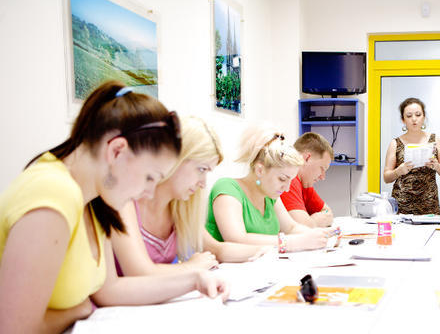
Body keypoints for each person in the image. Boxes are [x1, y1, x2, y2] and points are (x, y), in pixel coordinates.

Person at [0, 81, 228, 334]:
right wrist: (78, 310)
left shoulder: (95, 199)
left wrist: (193, 280)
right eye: (149, 177)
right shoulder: (53, 192)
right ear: (116, 151)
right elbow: (11, 333)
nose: (150, 190)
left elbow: (110, 290)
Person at [112, 116, 266, 276]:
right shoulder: (126, 201)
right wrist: (190, 267)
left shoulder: (180, 207)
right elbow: (139, 272)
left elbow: (217, 249)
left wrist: (266, 250)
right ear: (177, 159)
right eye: (201, 169)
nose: (203, 183)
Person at [205, 123, 332, 252]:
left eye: (290, 180)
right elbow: (237, 239)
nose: (287, 189)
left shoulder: (270, 195)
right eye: (282, 179)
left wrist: (322, 236)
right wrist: (292, 242)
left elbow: (291, 228)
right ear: (260, 170)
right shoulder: (227, 189)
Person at [383, 97, 440, 214]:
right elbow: (386, 177)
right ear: (403, 120)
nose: (414, 119)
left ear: (424, 117)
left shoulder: (434, 140)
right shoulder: (395, 143)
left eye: (418, 115)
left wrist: (437, 166)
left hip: (429, 203)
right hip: (403, 203)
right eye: (409, 116)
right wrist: (398, 171)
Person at [280, 132, 334, 227]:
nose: (322, 177)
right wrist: (313, 222)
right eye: (322, 168)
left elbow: (328, 212)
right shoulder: (290, 180)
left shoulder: (305, 184)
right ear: (307, 158)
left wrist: (311, 221)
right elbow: (302, 226)